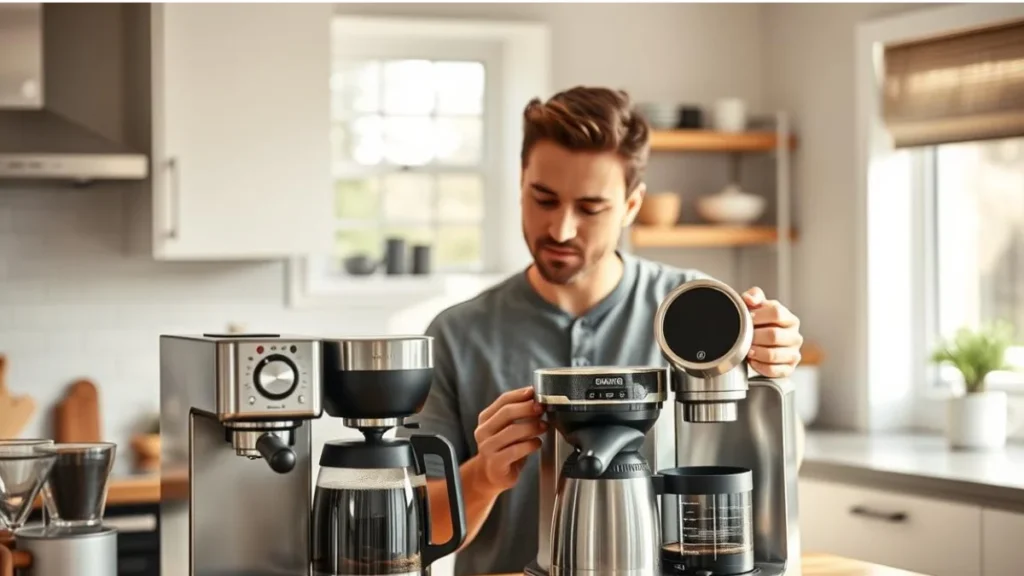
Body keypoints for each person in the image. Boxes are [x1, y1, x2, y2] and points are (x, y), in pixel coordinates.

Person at [396, 86, 804, 576]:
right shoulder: (455, 334)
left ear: (632, 206)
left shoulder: (694, 308)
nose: (562, 229)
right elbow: (413, 531)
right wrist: (483, 475)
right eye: (543, 198)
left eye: (590, 208)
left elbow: (780, 466)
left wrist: (773, 373)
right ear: (521, 182)